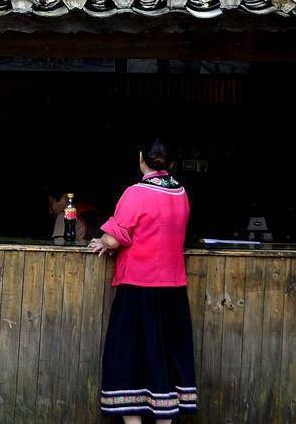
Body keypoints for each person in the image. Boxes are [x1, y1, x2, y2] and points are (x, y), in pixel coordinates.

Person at [89, 138, 197, 422]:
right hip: (173, 290)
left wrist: (103, 241)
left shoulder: (136, 193)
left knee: (129, 358)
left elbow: (112, 239)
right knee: (164, 358)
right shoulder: (181, 193)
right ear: (170, 162)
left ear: (141, 158)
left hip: (139, 288)